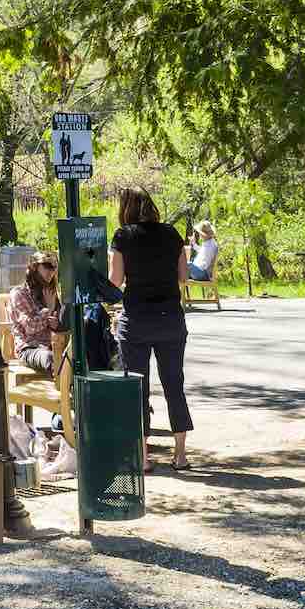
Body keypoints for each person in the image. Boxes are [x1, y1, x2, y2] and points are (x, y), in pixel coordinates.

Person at [109, 188, 192, 472]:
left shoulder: (123, 236)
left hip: (137, 320)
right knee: (174, 385)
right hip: (170, 318)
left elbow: (116, 280)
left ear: (126, 208)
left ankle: (143, 457)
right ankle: (180, 454)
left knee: (137, 389)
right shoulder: (171, 234)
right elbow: (184, 277)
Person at [8, 252, 63, 375]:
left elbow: (58, 325)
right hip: (29, 348)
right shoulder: (19, 293)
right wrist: (48, 309)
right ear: (34, 267)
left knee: (79, 356)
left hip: (53, 345)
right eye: (46, 266)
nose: (51, 271)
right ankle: (62, 390)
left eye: (54, 267)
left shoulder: (50, 293)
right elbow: (30, 327)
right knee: (51, 358)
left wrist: (57, 324)